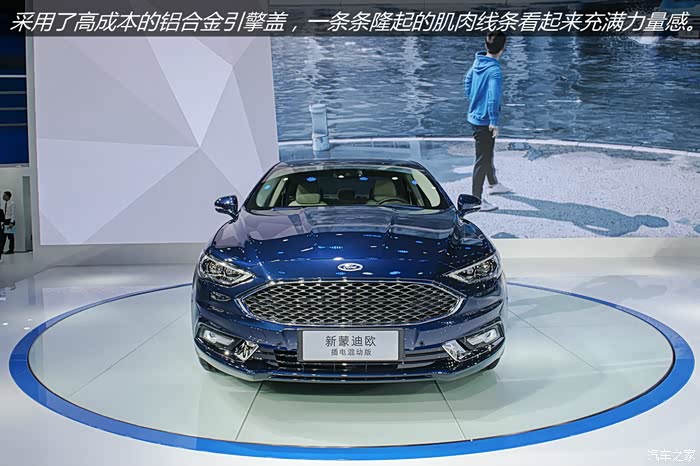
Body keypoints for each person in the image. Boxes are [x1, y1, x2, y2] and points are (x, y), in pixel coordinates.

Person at [464, 31, 512, 212]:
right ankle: (475, 200)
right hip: (484, 122)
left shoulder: (479, 61)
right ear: (503, 49)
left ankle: (493, 184)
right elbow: (493, 98)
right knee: (482, 159)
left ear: (486, 46)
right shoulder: (495, 71)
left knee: (487, 152)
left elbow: (467, 80)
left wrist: (474, 99)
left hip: (475, 116)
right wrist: (494, 121)